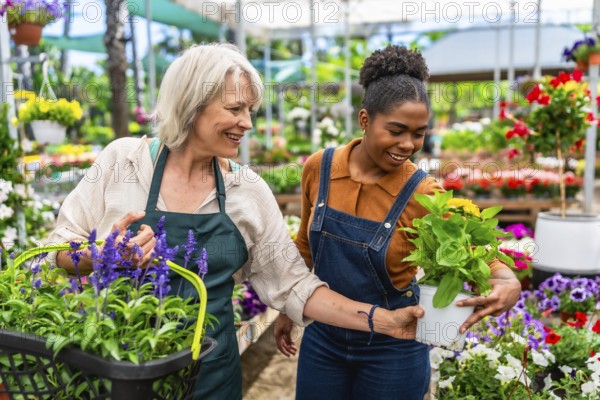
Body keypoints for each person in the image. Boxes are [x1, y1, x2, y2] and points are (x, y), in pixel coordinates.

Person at [45, 43, 426, 400]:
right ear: (192, 103)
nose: (247, 124)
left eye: (251, 111)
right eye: (235, 109)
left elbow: (294, 286)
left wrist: (384, 321)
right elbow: (57, 248)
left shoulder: (247, 190)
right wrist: (100, 256)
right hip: (118, 367)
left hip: (208, 376)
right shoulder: (123, 161)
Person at [274, 45, 521, 400]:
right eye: (396, 130)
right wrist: (289, 308)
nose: (408, 144)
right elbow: (305, 246)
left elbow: (472, 246)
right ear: (364, 120)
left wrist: (506, 278)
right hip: (324, 337)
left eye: (419, 133)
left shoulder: (422, 190)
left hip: (394, 344)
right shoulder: (320, 168)